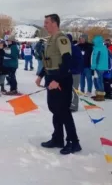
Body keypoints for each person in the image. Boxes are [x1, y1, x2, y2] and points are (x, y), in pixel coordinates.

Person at [36, 14, 81, 155]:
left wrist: (58, 80)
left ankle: (74, 142)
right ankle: (58, 138)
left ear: (55, 23)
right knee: (55, 109)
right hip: (51, 77)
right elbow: (48, 60)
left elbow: (67, 61)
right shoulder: (50, 40)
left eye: (47, 22)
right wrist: (41, 75)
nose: (45, 25)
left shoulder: (61, 39)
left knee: (64, 111)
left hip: (61, 78)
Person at [66, 34, 83, 112]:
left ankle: (74, 106)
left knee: (75, 90)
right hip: (67, 73)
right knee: (67, 90)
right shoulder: (64, 49)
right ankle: (68, 104)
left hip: (75, 73)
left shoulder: (75, 48)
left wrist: (73, 69)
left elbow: (79, 61)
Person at [91, 35, 109, 101]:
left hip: (98, 67)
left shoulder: (98, 48)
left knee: (99, 81)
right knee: (97, 81)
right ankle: (98, 94)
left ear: (97, 42)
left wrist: (93, 66)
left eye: (94, 41)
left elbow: (96, 59)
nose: (93, 43)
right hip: (101, 67)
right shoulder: (104, 48)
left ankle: (101, 96)